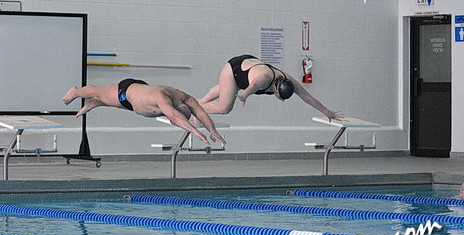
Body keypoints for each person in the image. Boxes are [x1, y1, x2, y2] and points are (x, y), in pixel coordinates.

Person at [62, 79, 226, 145]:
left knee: (117, 103)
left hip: (136, 102)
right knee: (98, 92)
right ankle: (75, 92)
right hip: (126, 91)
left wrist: (213, 131)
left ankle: (95, 103)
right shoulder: (162, 99)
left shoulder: (184, 97)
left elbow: (201, 111)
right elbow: (175, 118)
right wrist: (196, 132)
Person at [198, 54, 342, 120]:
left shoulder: (289, 79)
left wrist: (328, 112)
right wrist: (245, 96)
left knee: (227, 90)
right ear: (275, 89)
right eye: (280, 98)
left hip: (246, 72)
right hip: (234, 69)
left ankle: (198, 104)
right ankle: (194, 107)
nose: (281, 100)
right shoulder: (265, 78)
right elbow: (253, 86)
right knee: (224, 108)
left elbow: (307, 97)